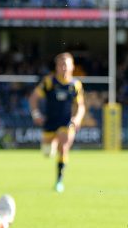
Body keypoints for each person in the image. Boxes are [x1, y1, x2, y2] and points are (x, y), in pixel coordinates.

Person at [28, 52, 85, 193]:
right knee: (47, 152)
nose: (64, 67)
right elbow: (33, 98)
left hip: (66, 122)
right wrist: (36, 114)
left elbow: (81, 105)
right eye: (61, 65)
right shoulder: (49, 82)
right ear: (57, 67)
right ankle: (51, 145)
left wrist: (77, 118)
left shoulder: (75, 85)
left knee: (64, 147)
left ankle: (59, 181)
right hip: (50, 122)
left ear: (72, 66)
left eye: (66, 64)